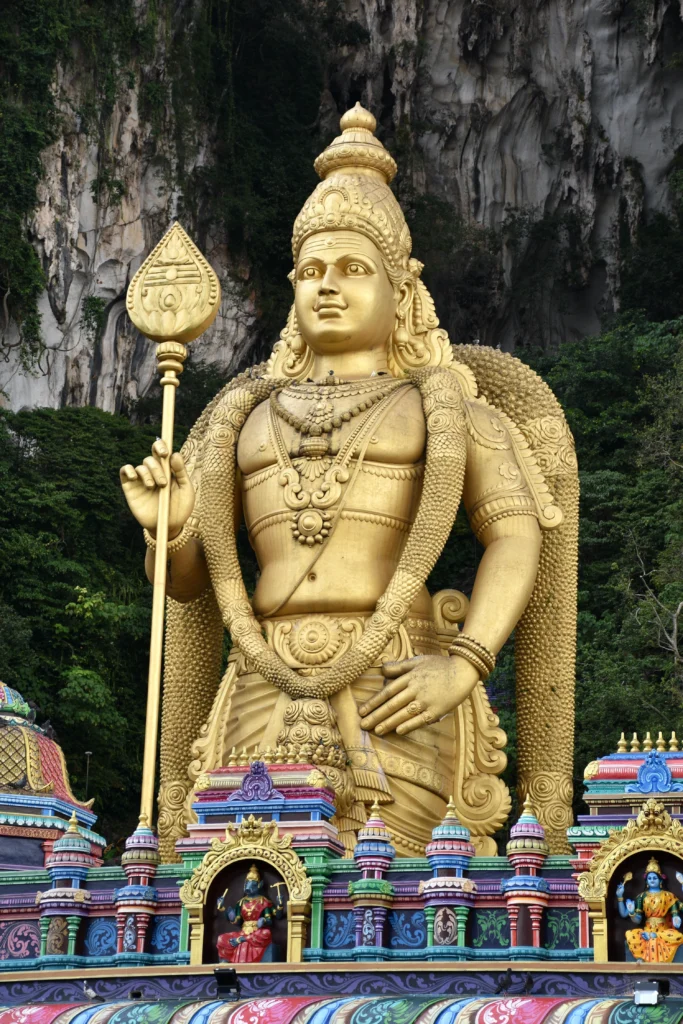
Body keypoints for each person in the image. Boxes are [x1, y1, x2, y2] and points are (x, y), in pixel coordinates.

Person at [120, 104, 578, 859]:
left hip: (395, 681)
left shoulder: (446, 407)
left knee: (399, 891)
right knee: (233, 892)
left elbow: (515, 535)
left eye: (352, 269)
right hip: (258, 684)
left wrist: (463, 665)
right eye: (310, 271)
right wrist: (167, 529)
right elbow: (188, 585)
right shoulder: (242, 417)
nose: (326, 287)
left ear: (401, 289)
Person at [616, 857, 683, 963]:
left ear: (660, 880)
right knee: (631, 935)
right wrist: (621, 898)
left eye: (654, 878)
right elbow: (628, 916)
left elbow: (677, 912)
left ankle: (649, 949)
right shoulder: (641, 897)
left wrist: (676, 919)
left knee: (678, 936)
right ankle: (644, 957)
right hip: (646, 930)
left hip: (663, 931)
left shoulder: (668, 896)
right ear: (646, 881)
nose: (652, 880)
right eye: (649, 878)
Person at [216, 863, 282, 964]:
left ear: (259, 884)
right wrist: (225, 910)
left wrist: (277, 907)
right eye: (247, 883)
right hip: (243, 931)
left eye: (252, 883)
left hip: (257, 932)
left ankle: (242, 940)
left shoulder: (263, 901)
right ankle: (225, 960)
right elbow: (237, 921)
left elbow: (276, 916)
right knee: (221, 938)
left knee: (266, 933)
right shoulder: (241, 902)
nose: (248, 885)